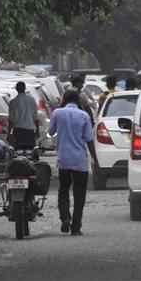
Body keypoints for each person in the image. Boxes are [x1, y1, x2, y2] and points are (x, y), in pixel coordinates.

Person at [48, 89, 97, 235]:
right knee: (79, 193)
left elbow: (50, 132)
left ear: (64, 100)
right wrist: (95, 159)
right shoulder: (84, 116)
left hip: (63, 159)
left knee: (63, 189)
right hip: (80, 160)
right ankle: (76, 226)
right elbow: (89, 139)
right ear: (78, 101)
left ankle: (65, 218)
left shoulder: (57, 113)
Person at [8, 81, 39, 148]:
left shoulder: (13, 102)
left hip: (18, 131)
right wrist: (37, 130)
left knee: (18, 151)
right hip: (30, 131)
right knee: (30, 150)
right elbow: (35, 117)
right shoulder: (32, 100)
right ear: (25, 88)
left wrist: (9, 134)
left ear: (16, 89)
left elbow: (11, 120)